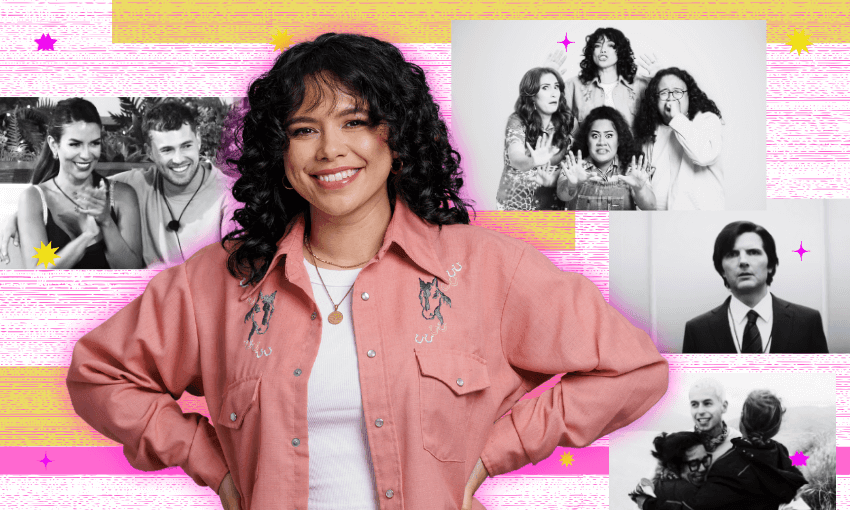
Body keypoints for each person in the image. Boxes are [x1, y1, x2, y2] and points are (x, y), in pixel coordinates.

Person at [65, 33, 668, 510]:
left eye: (355, 122)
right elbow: (99, 376)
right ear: (279, 151)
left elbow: (634, 370)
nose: (330, 150)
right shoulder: (217, 282)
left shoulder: (486, 269)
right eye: (304, 130)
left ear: (397, 136)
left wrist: (494, 453)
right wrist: (211, 463)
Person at [1, 101, 237, 268]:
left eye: (186, 146)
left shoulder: (230, 195)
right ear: (149, 153)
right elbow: (61, 192)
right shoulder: (135, 184)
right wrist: (19, 214)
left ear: (199, 141)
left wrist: (102, 224)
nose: (178, 159)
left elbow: (239, 271)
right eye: (166, 149)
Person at [16, 98, 143, 269]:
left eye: (94, 143)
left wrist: (106, 222)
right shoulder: (34, 198)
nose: (86, 155)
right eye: (75, 144)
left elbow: (132, 272)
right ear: (54, 145)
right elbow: (38, 277)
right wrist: (86, 237)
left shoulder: (122, 195)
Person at [637, 390, 808, 510]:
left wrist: (646, 503)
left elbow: (694, 507)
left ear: (742, 419)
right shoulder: (780, 450)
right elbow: (792, 474)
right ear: (775, 428)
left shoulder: (730, 467)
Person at [683, 221, 828, 353]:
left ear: (770, 264)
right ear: (722, 270)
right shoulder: (697, 330)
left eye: (753, 252)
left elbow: (823, 380)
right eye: (732, 254)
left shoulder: (807, 322)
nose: (743, 261)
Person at [633, 67, 725, 210]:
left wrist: (676, 117)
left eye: (677, 92)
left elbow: (704, 155)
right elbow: (646, 190)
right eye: (664, 92)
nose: (671, 97)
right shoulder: (651, 133)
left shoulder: (707, 120)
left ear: (689, 96)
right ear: (655, 100)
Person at [495, 67, 575, 210]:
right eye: (545, 88)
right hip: (515, 208)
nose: (553, 94)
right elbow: (515, 157)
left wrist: (558, 178)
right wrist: (533, 161)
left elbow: (579, 163)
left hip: (551, 209)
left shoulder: (568, 121)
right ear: (532, 96)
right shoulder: (517, 120)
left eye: (556, 87)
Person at [556, 27, 660, 131]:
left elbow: (663, 114)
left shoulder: (640, 85)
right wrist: (546, 78)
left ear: (620, 51)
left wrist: (660, 79)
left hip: (632, 147)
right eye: (597, 46)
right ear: (592, 52)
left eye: (610, 45)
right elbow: (555, 118)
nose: (603, 50)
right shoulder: (573, 85)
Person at [556, 106, 655, 210]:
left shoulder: (633, 169)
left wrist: (640, 189)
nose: (602, 142)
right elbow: (562, 195)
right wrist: (571, 185)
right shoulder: (573, 165)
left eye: (609, 136)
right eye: (595, 136)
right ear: (586, 140)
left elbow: (651, 207)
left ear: (619, 140)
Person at [628, 431, 711, 508]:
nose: (702, 468)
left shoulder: (656, 487)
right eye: (693, 464)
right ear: (673, 466)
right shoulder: (687, 491)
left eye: (705, 460)